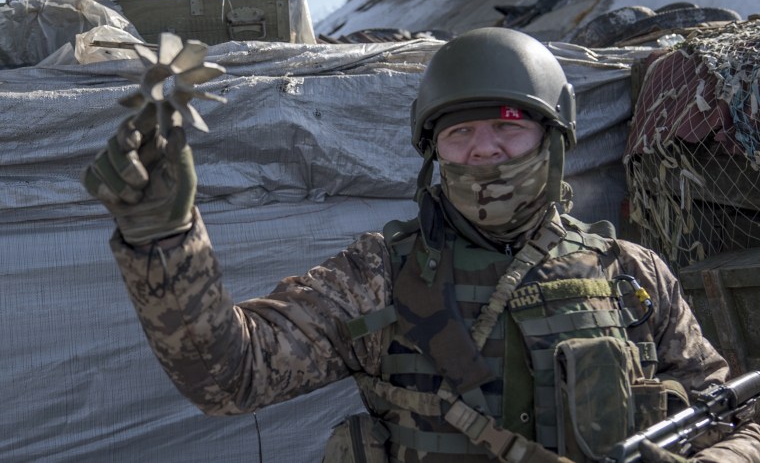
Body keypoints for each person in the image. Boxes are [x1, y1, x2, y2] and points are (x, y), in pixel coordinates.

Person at [82, 27, 760, 462]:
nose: (484, 152)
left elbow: (731, 412)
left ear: (553, 141)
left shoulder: (631, 275)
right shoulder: (379, 275)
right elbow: (231, 377)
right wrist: (163, 240)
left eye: (507, 128)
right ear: (434, 152)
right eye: (458, 135)